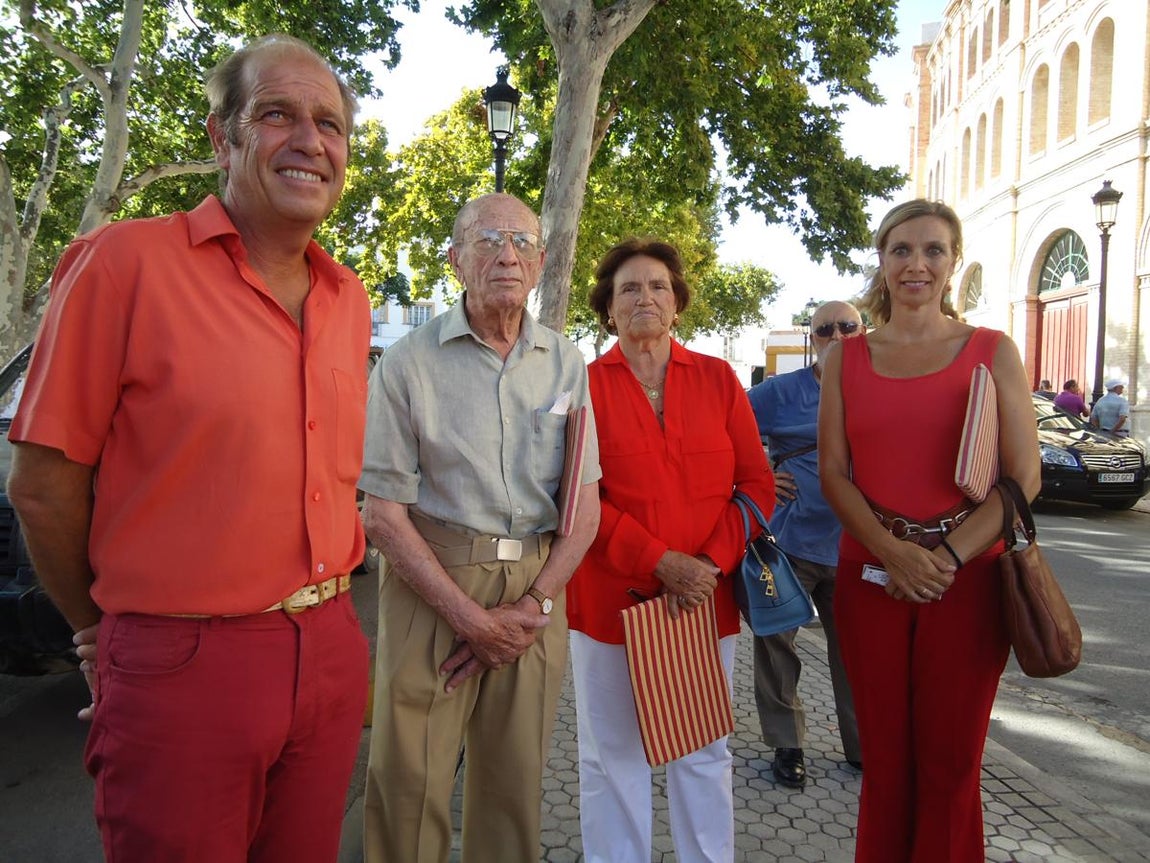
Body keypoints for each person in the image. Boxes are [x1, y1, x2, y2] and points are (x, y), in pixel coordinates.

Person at [5, 35, 371, 863]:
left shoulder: (350, 299)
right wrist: (105, 630)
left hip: (333, 651)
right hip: (181, 669)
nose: (311, 140)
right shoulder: (123, 264)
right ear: (222, 136)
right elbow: (43, 487)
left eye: (331, 123)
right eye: (277, 113)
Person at [359, 193, 602, 863]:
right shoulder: (407, 363)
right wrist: (469, 618)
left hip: (535, 589)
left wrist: (533, 603)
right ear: (455, 259)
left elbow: (584, 508)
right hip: (431, 582)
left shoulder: (565, 362)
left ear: (543, 262)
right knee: (410, 782)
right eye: (488, 239)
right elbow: (381, 513)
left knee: (515, 785)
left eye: (523, 242)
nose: (507, 255)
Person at [819, 199, 1040, 863]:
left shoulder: (991, 351)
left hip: (966, 580)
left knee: (949, 767)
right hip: (870, 573)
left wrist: (942, 556)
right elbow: (833, 473)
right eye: (901, 250)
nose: (917, 263)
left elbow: (1022, 480)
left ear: (954, 263)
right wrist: (893, 552)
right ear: (882, 263)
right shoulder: (846, 358)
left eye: (933, 250)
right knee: (884, 764)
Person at [566, 238, 774, 863]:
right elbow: (576, 495)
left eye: (658, 286)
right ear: (608, 309)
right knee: (611, 759)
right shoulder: (579, 385)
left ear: (677, 304)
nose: (645, 298)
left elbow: (757, 486)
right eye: (629, 288)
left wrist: (708, 565)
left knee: (702, 754)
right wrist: (660, 560)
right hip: (609, 608)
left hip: (702, 607)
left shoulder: (717, 378)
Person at [746, 301, 863, 790]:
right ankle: (787, 745)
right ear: (811, 339)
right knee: (776, 649)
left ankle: (861, 748)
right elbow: (724, 427)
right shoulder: (780, 392)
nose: (836, 336)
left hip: (857, 546)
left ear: (863, 332)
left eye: (847, 327)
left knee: (857, 653)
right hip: (788, 543)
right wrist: (762, 475)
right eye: (824, 330)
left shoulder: (880, 389)